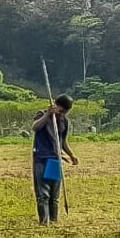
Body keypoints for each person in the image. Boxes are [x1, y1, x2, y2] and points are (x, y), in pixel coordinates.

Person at [32, 95, 79, 225]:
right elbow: (35, 128)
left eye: (65, 112)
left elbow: (62, 141)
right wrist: (48, 114)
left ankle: (54, 221)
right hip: (41, 158)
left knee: (54, 194)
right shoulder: (42, 114)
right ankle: (44, 221)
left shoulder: (64, 121)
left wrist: (71, 154)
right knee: (43, 194)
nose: (62, 114)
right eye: (61, 111)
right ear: (56, 105)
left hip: (55, 159)